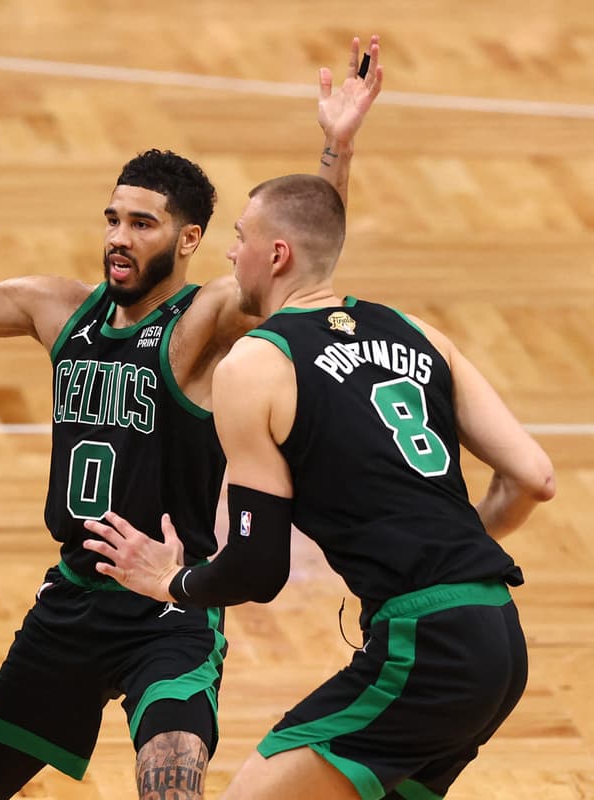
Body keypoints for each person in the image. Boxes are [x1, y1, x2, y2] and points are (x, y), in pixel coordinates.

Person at [0, 38, 383, 800]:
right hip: (71, 600)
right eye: (112, 219)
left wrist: (335, 150)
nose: (117, 236)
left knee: (170, 784)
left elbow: (299, 263)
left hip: (168, 605)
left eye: (142, 223)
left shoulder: (201, 319)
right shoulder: (59, 308)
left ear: (190, 239)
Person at [83, 173, 556, 800]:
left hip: (424, 651)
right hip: (498, 634)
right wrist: (452, 551)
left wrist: (168, 581)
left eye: (240, 237)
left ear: (277, 255)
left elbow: (258, 567)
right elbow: (535, 477)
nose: (230, 253)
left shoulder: (256, 362)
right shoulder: (416, 330)